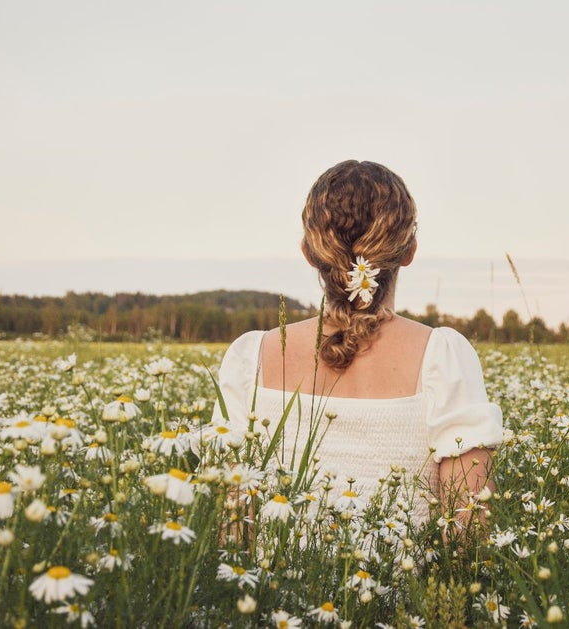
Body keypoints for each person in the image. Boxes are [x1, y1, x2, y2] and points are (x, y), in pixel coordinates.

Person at [211, 160, 503, 525]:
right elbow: (468, 533)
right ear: (409, 250)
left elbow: (232, 529)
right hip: (406, 584)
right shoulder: (443, 357)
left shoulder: (250, 358)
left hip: (274, 583)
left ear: (308, 251)